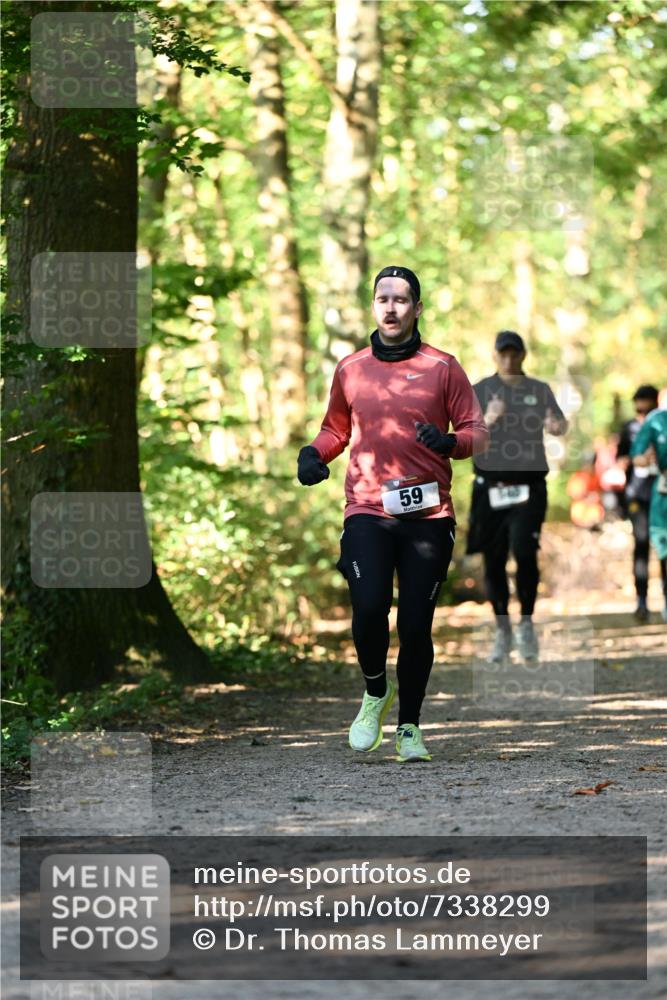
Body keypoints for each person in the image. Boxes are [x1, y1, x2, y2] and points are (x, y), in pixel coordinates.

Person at [297, 266, 488, 763]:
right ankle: (375, 691)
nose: (391, 307)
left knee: (416, 625)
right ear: (373, 306)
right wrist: (314, 454)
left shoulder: (442, 367)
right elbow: (335, 429)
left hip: (428, 514)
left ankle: (409, 727)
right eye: (383, 298)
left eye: (401, 300)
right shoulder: (351, 368)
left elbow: (476, 431)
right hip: (367, 507)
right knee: (368, 605)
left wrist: (451, 442)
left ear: (417, 309)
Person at [466, 330, 568, 663]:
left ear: (523, 355)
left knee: (525, 551)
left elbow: (559, 424)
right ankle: (502, 629)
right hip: (489, 487)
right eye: (503, 354)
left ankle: (525, 624)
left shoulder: (539, 390)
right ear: (495, 355)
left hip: (529, 486)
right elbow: (466, 439)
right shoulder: (480, 390)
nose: (509, 359)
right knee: (493, 559)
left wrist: (556, 424)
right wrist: (490, 418)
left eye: (514, 354)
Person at [616, 385, 666, 621]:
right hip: (638, 495)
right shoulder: (630, 428)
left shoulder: (661, 424)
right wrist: (637, 460)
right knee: (642, 545)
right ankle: (642, 600)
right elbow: (621, 457)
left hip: (661, 493)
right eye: (640, 404)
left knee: (664, 548)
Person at [628, 398, 667, 622]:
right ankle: (645, 599)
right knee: (652, 546)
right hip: (654, 496)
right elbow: (636, 455)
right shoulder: (656, 422)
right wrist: (643, 459)